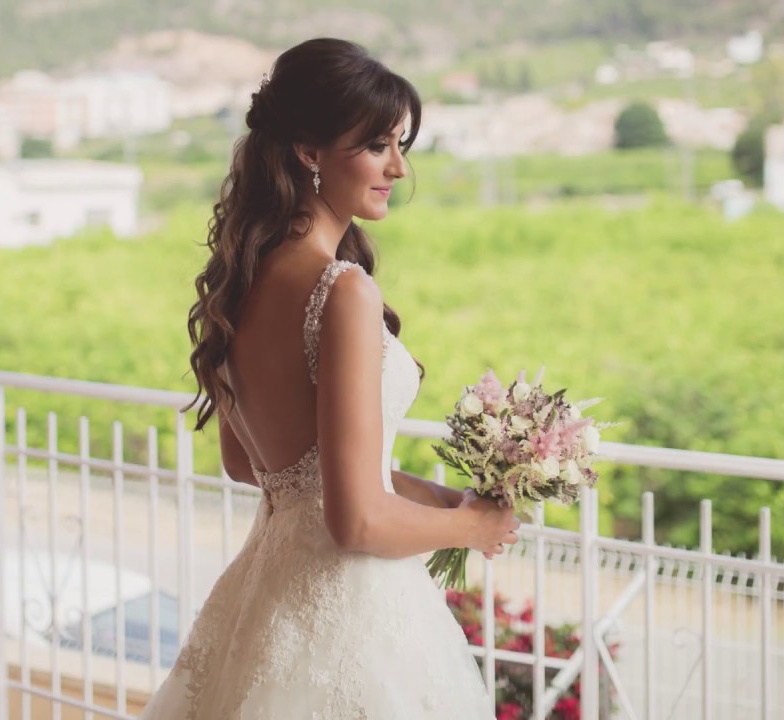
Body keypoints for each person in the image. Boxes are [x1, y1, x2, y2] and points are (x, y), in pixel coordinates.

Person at [142, 37, 518, 719]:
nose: (398, 168)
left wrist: (441, 498)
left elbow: (258, 466)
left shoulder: (242, 279)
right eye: (378, 146)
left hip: (268, 600)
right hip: (351, 614)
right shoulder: (343, 290)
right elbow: (355, 520)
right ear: (309, 151)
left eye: (400, 145)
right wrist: (475, 528)